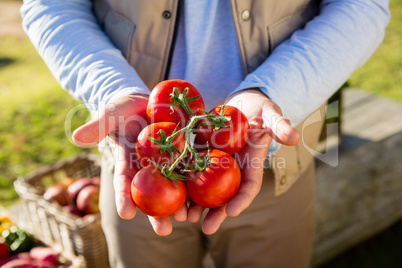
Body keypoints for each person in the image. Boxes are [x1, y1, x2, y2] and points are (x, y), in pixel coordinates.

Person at [21, 0, 390, 267]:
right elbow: (50, 5)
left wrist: (274, 91)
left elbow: (363, 5)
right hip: (134, 159)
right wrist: (111, 88)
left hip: (275, 163)